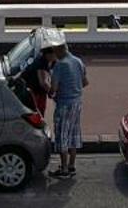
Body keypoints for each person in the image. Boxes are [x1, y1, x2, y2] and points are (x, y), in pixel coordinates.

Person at [49, 46, 86, 178]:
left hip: (64, 104)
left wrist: (50, 93)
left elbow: (53, 88)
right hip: (77, 103)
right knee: (73, 135)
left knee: (62, 136)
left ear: (57, 51)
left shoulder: (59, 65)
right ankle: (71, 166)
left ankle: (64, 169)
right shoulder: (78, 61)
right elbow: (85, 82)